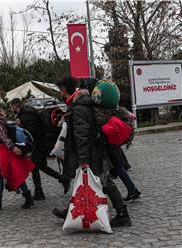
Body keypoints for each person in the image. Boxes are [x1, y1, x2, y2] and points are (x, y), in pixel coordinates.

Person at [52, 77, 132, 227]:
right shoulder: (82, 103)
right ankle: (70, 210)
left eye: (60, 90)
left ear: (63, 90)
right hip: (91, 151)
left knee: (105, 182)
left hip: (89, 153)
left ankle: (123, 214)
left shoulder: (78, 108)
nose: (60, 93)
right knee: (80, 181)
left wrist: (83, 160)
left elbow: (82, 135)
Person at [81, 78, 141, 202]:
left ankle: (132, 190)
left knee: (114, 168)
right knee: (117, 168)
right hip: (112, 140)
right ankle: (132, 190)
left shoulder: (99, 108)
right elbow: (121, 112)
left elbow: (99, 122)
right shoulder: (111, 105)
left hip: (107, 142)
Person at [10, 98, 70, 201]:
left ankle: (57, 182)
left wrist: (20, 125)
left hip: (41, 142)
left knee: (36, 165)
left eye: (11, 107)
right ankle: (42, 190)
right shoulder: (27, 112)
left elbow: (31, 130)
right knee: (38, 165)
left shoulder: (25, 115)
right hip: (41, 141)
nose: (11, 109)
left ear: (15, 106)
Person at [0, 105, 35, 210]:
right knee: (15, 174)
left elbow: (3, 136)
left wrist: (12, 148)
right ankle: (28, 198)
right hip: (4, 150)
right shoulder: (2, 120)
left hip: (2, 151)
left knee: (0, 177)